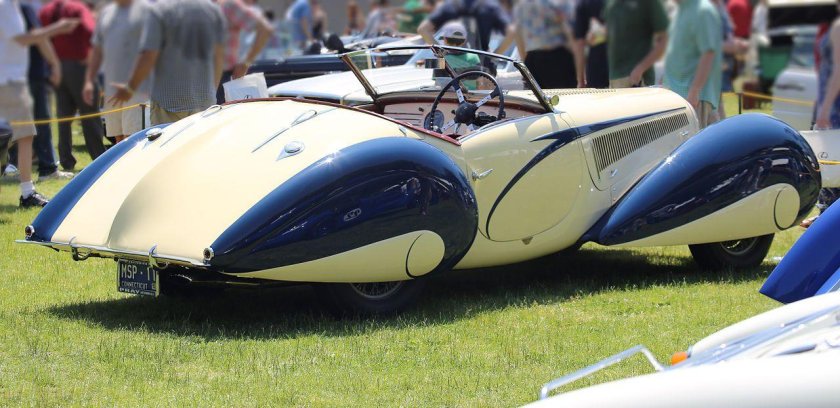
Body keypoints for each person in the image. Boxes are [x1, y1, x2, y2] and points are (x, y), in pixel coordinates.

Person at [1, 0, 78, 207]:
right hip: (9, 82)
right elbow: (24, 39)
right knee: (24, 135)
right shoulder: (7, 6)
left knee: (23, 135)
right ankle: (27, 194)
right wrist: (59, 28)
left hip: (10, 81)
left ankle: (28, 192)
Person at [109, 0, 226, 126]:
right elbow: (219, 56)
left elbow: (149, 56)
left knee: (168, 145)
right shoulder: (213, 10)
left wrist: (130, 88)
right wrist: (211, 91)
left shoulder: (159, 10)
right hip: (204, 102)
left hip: (168, 104)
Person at [39, 0, 106, 171]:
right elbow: (91, 31)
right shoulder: (77, 8)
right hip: (80, 66)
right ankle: (98, 158)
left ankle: (66, 160)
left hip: (57, 67)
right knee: (90, 115)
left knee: (64, 117)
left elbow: (40, 36)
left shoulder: (45, 11)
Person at [83, 0, 151, 144]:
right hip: (111, 84)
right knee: (117, 136)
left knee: (132, 136)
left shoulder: (146, 11)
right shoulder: (107, 13)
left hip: (137, 86)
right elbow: (97, 49)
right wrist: (89, 80)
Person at [805, 8, 840, 227]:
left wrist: (825, 108)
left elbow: (838, 70)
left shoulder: (838, 27)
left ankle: (826, 219)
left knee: (830, 165)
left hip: (834, 106)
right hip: (831, 101)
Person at [663, 0, 722, 128]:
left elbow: (708, 53)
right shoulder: (680, 10)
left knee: (698, 146)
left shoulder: (703, 11)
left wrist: (694, 91)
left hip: (693, 99)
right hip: (677, 95)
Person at [508, 0, 579, 89]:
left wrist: (525, 62)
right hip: (560, 58)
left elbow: (518, 34)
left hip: (533, 58)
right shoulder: (562, 3)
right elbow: (571, 35)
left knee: (534, 101)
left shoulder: (522, 6)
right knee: (565, 99)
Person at [216, 0, 274, 104]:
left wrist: (246, 62)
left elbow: (264, 29)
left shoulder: (228, 5)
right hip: (198, 78)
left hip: (223, 78)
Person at [602, 0, 669, 88]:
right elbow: (611, 30)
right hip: (614, 78)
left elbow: (664, 38)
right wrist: (596, 35)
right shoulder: (610, 2)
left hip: (637, 80)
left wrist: (640, 69)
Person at [418, 0, 514, 53]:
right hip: (481, 69)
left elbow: (423, 29)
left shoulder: (449, 5)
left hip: (450, 69)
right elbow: (512, 32)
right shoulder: (490, 6)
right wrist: (494, 56)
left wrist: (442, 53)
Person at [573, 0, 608, 88]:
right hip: (626, 68)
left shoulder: (585, 4)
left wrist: (580, 80)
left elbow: (580, 44)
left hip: (597, 68)